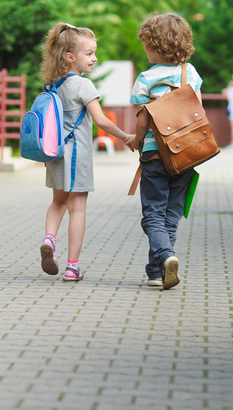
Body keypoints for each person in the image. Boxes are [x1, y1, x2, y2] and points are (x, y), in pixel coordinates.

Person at [38, 22, 134, 282]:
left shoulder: (53, 86)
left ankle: (49, 238)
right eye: (89, 53)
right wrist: (126, 137)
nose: (95, 58)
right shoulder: (84, 86)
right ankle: (72, 268)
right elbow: (101, 121)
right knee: (77, 209)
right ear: (71, 57)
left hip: (56, 156)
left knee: (58, 202)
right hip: (77, 157)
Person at [125, 13, 203, 290]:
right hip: (186, 154)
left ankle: (166, 256)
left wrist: (136, 140)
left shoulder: (145, 79)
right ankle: (156, 272)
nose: (144, 48)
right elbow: (196, 110)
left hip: (155, 155)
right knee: (170, 214)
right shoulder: (190, 73)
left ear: (156, 45)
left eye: (146, 44)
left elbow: (143, 120)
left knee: (153, 215)